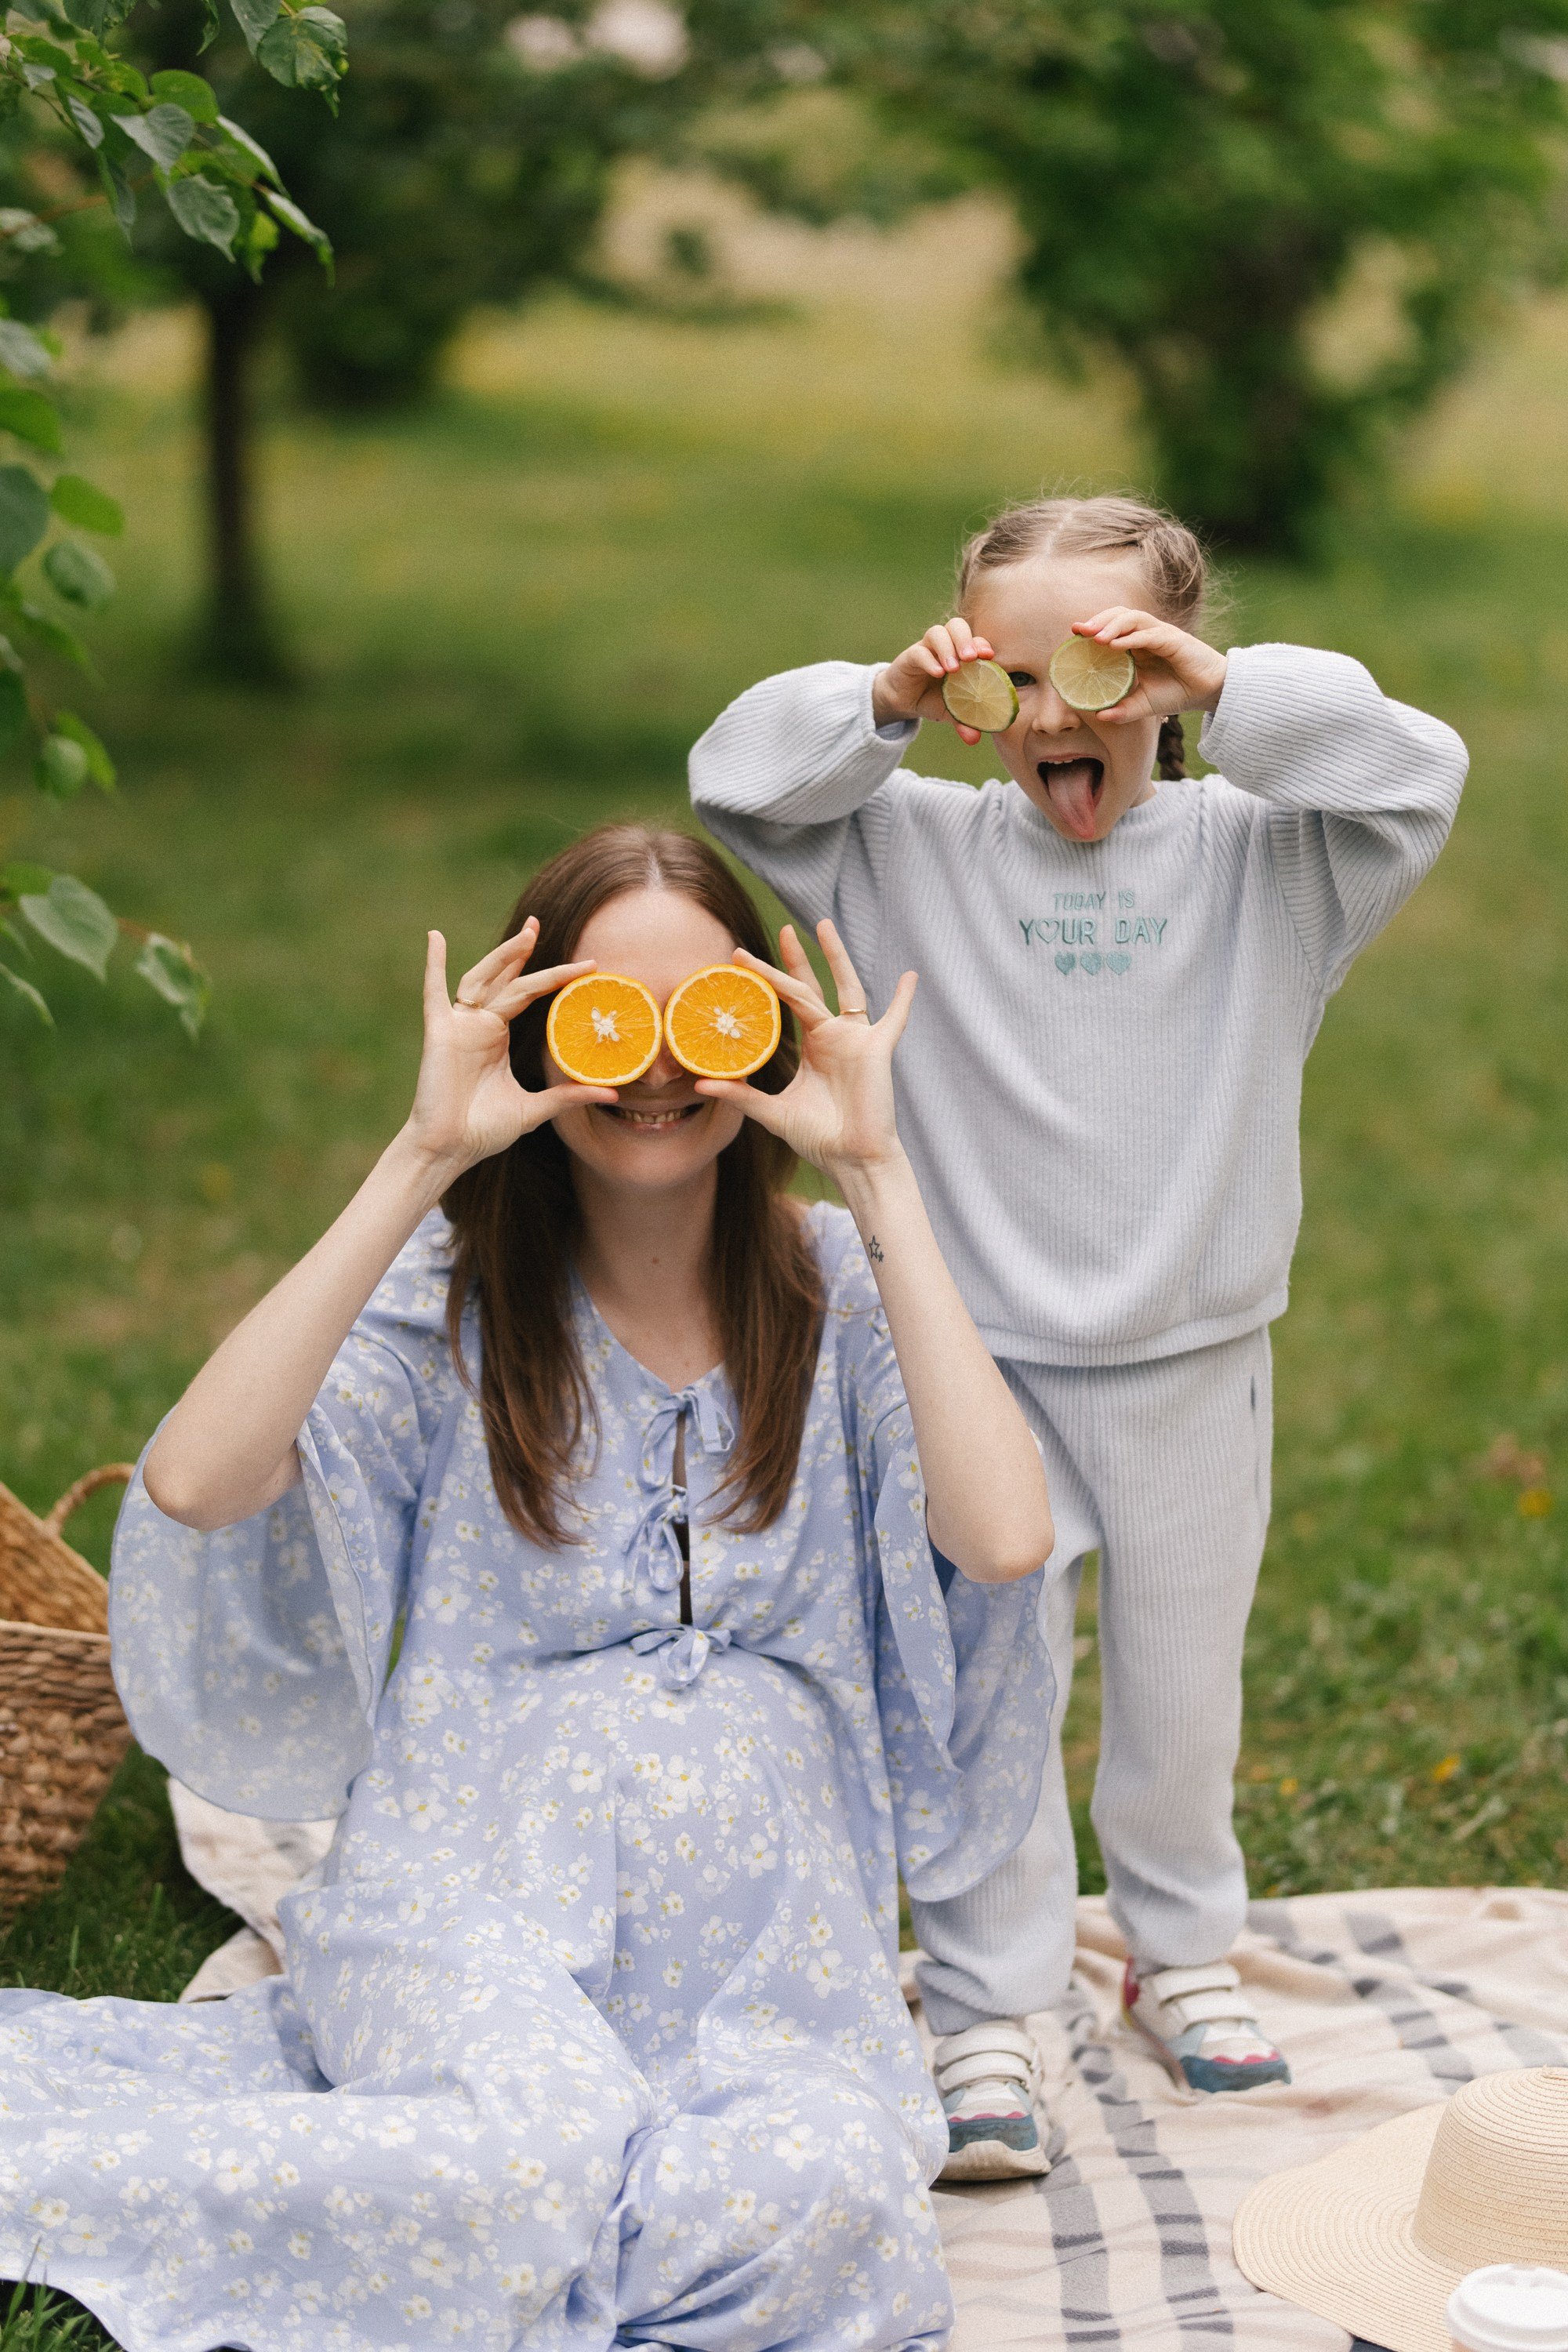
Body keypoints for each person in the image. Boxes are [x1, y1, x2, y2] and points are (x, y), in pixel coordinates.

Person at [0, 824, 1056, 2352]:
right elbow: (196, 1482)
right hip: (464, 1906)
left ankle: (498, 2265)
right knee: (532, 2151)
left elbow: (1005, 1539)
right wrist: (425, 1154)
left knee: (829, 2198)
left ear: (763, 1031)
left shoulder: (837, 1282)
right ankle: (536, 2224)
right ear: (533, 1031)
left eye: (705, 1016)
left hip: (769, 1970)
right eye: (605, 1017)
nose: (658, 1066)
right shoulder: (456, 1294)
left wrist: (878, 1170)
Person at [690, 494, 1469, 2181]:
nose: (1056, 712)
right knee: (992, 1691)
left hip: (1195, 1357)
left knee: (1184, 1692)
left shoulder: (1273, 860)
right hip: (978, 1367)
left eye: (1100, 672)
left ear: (1170, 679)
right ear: (965, 683)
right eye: (1013, 674)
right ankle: (989, 2000)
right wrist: (884, 702)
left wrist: (1225, 688)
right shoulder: (906, 848)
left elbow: (1417, 767)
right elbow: (735, 778)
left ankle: (1180, 1953)